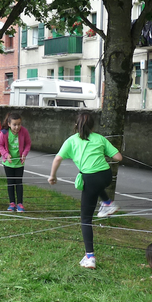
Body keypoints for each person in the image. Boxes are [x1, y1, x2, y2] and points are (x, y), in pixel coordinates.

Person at [47, 112, 123, 269]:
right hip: (106, 175)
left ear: (76, 126)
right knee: (96, 185)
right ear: (93, 126)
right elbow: (118, 158)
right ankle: (108, 203)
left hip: (91, 178)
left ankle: (90, 257)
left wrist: (52, 176)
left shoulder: (71, 141)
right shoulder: (100, 138)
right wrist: (103, 153)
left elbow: (57, 159)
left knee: (85, 219)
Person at [0, 112, 31, 212]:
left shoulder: (24, 132)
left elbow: (28, 144)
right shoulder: (4, 133)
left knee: (19, 183)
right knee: (10, 183)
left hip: (19, 163)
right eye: (14, 125)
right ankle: (12, 203)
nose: (17, 127)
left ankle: (20, 203)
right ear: (9, 124)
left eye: (19, 124)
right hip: (8, 163)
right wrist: (6, 155)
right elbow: (0, 145)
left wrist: (24, 154)